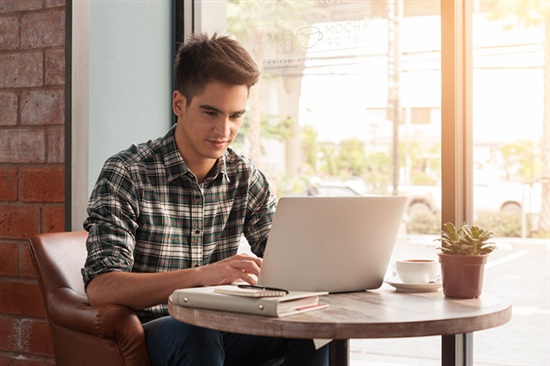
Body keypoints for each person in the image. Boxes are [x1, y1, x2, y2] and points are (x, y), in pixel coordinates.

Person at [81, 33, 329, 366]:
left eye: (235, 116)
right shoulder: (127, 172)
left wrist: (326, 265)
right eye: (211, 113)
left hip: (221, 328)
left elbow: (282, 257)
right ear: (179, 104)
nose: (224, 130)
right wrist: (202, 274)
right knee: (196, 330)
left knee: (313, 329)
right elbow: (102, 287)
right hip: (153, 331)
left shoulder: (245, 177)